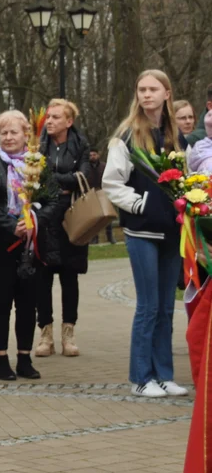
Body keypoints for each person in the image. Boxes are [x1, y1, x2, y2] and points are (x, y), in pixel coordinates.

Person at [102, 69, 190, 398]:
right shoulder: (126, 136)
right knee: (148, 307)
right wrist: (141, 205)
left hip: (172, 232)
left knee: (167, 306)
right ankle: (141, 377)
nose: (146, 94)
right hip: (141, 233)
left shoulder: (176, 135)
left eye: (153, 89)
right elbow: (111, 183)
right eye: (141, 89)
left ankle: (164, 375)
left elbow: (186, 176)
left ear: (167, 93)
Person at [0, 111, 55, 381]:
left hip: (31, 246)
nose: (9, 137)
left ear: (26, 134)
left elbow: (53, 201)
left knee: (28, 304)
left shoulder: (38, 165)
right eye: (3, 133)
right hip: (1, 246)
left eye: (14, 132)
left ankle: (24, 358)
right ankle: (1, 358)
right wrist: (10, 224)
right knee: (0, 303)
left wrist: (34, 221)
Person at [34, 99, 92, 358]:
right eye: (48, 117)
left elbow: (85, 177)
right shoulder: (38, 145)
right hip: (45, 218)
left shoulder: (81, 146)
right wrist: (61, 181)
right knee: (42, 279)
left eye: (56, 117)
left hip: (72, 217)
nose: (49, 121)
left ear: (69, 122)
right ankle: (45, 335)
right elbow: (34, 176)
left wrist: (53, 179)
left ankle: (69, 333)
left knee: (70, 278)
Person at [86, 148, 114, 243]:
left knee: (107, 216)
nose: (92, 157)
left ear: (98, 155)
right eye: (90, 155)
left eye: (94, 155)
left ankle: (110, 237)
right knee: (94, 218)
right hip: (91, 194)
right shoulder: (86, 167)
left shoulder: (104, 166)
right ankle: (94, 239)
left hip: (103, 193)